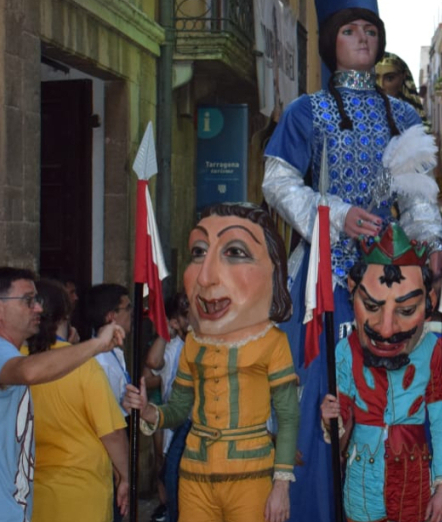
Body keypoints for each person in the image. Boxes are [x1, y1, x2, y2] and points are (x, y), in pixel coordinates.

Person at [261, 0, 442, 522]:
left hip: (393, 283)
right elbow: (277, 182)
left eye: (370, 31)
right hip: (323, 280)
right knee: (321, 394)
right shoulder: (306, 111)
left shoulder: (403, 116)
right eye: (350, 31)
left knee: (394, 403)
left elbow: (417, 198)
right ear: (331, 42)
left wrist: (431, 244)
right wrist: (337, 215)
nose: (362, 39)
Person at [124, 203, 300, 522]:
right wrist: (148, 411)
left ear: (273, 269)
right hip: (194, 473)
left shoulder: (272, 341)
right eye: (199, 251)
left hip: (251, 475)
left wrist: (281, 486)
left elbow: (287, 417)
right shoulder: (194, 341)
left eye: (234, 251)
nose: (206, 275)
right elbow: (179, 408)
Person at [319, 222, 442, 522]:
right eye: (371, 306)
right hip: (362, 481)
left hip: (412, 479)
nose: (386, 328)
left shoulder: (432, 349)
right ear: (353, 294)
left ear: (429, 302)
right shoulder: (345, 351)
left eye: (406, 311)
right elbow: (339, 421)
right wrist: (333, 419)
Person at [0, 266, 125, 522]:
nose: (37, 309)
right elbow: (28, 372)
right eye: (28, 301)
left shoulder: (14, 352)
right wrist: (97, 344)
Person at [144, 292, 191, 522]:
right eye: (185, 315)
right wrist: (165, 330)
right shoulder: (173, 348)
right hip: (176, 433)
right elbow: (152, 364)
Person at [85, 283, 133, 416]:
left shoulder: (113, 353)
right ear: (111, 316)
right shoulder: (101, 362)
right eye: (128, 308)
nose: (132, 313)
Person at [375, 51, 428, 123]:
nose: (380, 85)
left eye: (389, 78)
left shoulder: (411, 118)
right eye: (374, 78)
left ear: (403, 77)